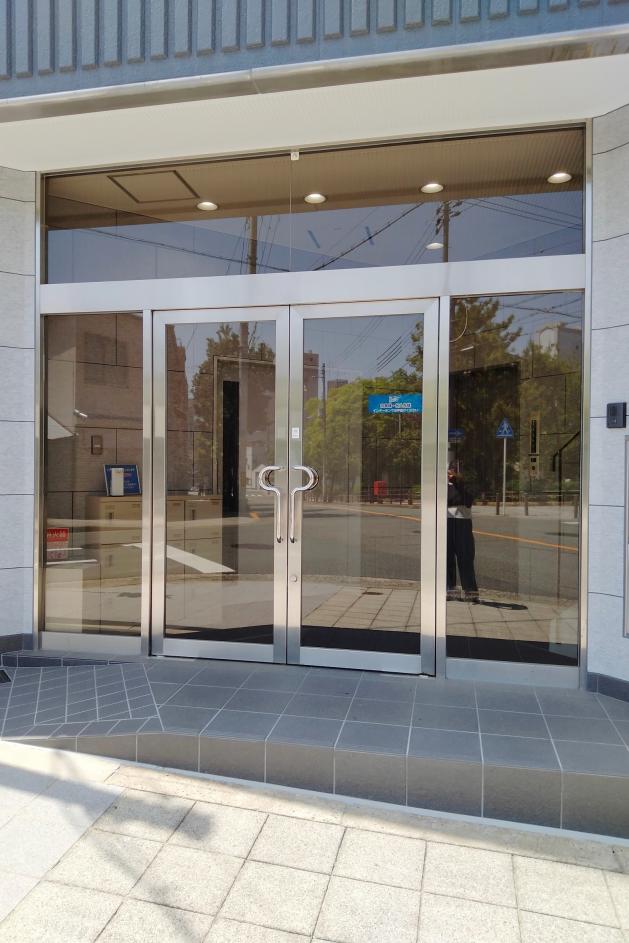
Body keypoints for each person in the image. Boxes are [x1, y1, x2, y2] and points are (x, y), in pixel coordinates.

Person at [447, 463, 479, 602]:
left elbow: (468, 500)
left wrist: (457, 482)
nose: (452, 474)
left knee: (465, 557)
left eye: (455, 471)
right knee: (447, 557)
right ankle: (450, 591)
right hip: (447, 521)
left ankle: (470, 593)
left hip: (463, 522)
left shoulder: (466, 485)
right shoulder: (443, 486)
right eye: (451, 471)